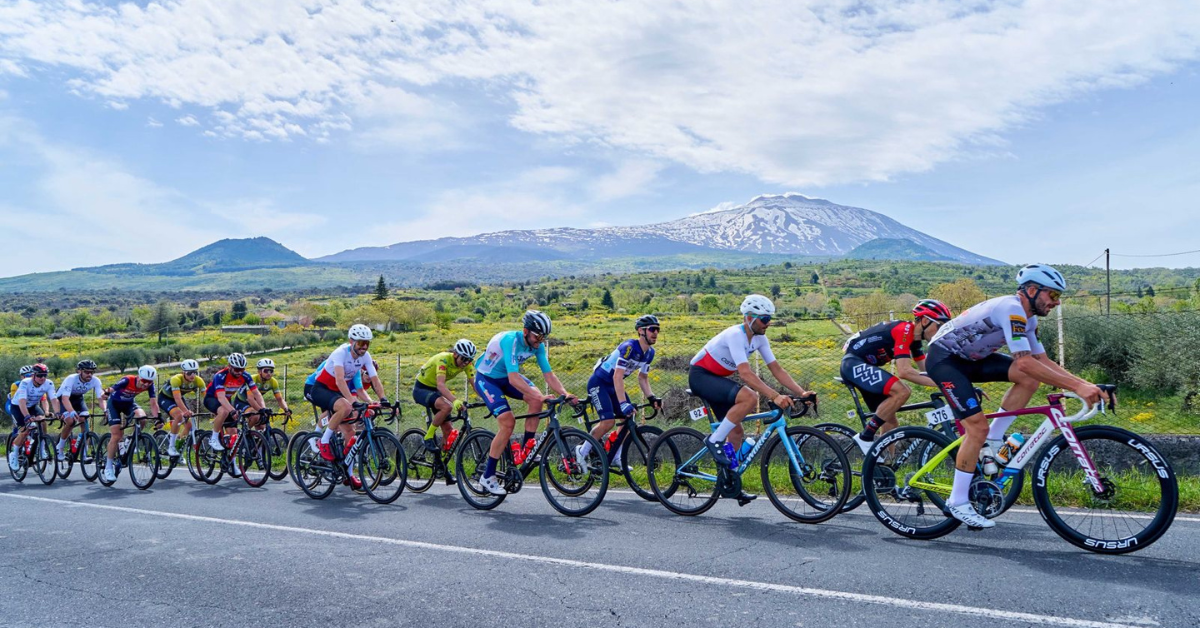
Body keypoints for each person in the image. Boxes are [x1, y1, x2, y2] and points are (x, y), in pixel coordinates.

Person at [925, 264, 1107, 529]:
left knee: (1030, 378)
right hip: (944, 360)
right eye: (1053, 296)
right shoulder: (1011, 309)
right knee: (976, 426)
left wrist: (1087, 384)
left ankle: (994, 439)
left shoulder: (1028, 319)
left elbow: (1042, 361)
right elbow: (1024, 362)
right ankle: (957, 501)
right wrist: (1078, 388)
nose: (1056, 303)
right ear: (1032, 290)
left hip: (972, 359)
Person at [689, 295, 814, 504]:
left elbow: (777, 369)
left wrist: (801, 393)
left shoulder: (759, 339)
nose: (769, 323)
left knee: (736, 431)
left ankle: (730, 482)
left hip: (717, 379)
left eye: (770, 319)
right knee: (749, 397)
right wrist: (774, 395)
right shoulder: (735, 335)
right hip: (701, 376)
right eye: (765, 319)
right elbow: (745, 374)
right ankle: (714, 441)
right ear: (749, 318)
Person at [472, 310, 577, 496]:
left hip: (505, 377)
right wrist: (540, 396)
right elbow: (514, 379)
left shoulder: (538, 346)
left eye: (544, 337)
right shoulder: (510, 340)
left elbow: (549, 375)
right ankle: (488, 476)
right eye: (538, 336)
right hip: (487, 379)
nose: (540, 340)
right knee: (508, 422)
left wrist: (565, 393)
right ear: (526, 331)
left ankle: (527, 448)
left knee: (535, 400)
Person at [842, 300, 952, 453]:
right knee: (902, 391)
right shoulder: (905, 330)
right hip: (852, 363)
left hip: (864, 365)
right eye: (939, 326)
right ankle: (865, 436)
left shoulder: (915, 341)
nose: (941, 331)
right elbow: (904, 371)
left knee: (891, 423)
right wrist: (944, 384)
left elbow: (928, 370)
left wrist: (956, 381)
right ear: (925, 321)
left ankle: (883, 466)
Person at [310, 325, 389, 489]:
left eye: (367, 343)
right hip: (321, 389)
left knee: (350, 433)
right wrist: (352, 402)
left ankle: (349, 474)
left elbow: (375, 379)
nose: (364, 347)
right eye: (361, 343)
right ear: (351, 341)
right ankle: (323, 441)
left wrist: (383, 399)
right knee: (346, 407)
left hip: (337, 392)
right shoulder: (340, 353)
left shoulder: (366, 356)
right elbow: (339, 380)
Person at [578, 315, 662, 467]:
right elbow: (617, 376)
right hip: (599, 382)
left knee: (628, 419)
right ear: (640, 331)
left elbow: (642, 378)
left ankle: (616, 456)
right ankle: (581, 452)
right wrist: (623, 403)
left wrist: (651, 397)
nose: (655, 333)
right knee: (608, 422)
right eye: (652, 329)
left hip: (613, 385)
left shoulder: (650, 353)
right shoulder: (629, 347)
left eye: (657, 329)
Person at [413, 339, 476, 454]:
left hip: (435, 390)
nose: (466, 363)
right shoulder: (443, 359)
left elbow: (475, 385)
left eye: (469, 360)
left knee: (448, 431)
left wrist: (489, 399)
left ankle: (441, 465)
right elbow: (441, 385)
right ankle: (428, 436)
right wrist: (455, 400)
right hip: (421, 389)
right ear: (456, 354)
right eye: (464, 359)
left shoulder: (467, 365)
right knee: (447, 407)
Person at [100, 365, 161, 482]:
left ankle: (130, 440)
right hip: (114, 404)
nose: (146, 385)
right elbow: (113, 388)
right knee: (117, 435)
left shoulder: (150, 385)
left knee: (142, 417)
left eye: (149, 382)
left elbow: (153, 403)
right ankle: (108, 467)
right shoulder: (128, 379)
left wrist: (157, 417)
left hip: (128, 404)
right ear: (138, 377)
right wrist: (106, 393)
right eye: (144, 381)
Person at [203, 353, 265, 453]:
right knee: (224, 412)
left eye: (242, 369)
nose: (239, 372)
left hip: (226, 400)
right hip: (212, 398)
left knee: (233, 435)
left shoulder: (245, 376)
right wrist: (232, 410)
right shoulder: (220, 376)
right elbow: (221, 398)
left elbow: (256, 393)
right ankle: (213, 438)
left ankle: (231, 463)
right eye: (237, 369)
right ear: (229, 366)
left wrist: (262, 408)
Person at [7, 364, 61, 471]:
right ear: (33, 375)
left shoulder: (48, 383)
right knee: (26, 430)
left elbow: (54, 400)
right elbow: (22, 401)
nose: (43, 378)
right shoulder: (25, 383)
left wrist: (58, 413)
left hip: (32, 406)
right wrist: (27, 416)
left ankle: (42, 448)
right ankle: (14, 453)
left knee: (42, 421)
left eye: (45, 375)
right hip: (18, 407)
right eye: (40, 375)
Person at [55, 359, 106, 461]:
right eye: (86, 372)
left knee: (84, 421)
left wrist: (105, 410)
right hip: (64, 399)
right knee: (71, 421)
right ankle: (59, 448)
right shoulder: (71, 379)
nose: (89, 375)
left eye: (91, 372)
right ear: (79, 371)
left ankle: (83, 453)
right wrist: (71, 411)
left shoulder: (96, 381)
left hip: (78, 399)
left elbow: (101, 398)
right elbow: (65, 399)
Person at [158, 359, 205, 458]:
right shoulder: (176, 379)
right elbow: (177, 399)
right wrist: (186, 411)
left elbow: (207, 397)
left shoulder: (198, 381)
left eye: (195, 372)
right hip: (166, 398)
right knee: (179, 416)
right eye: (189, 373)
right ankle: (171, 447)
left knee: (189, 425)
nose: (192, 375)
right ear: (183, 372)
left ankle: (178, 446)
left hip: (178, 398)